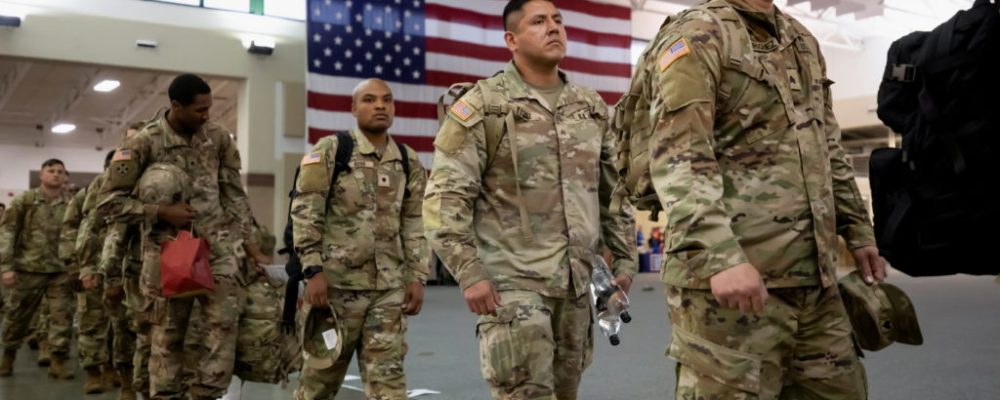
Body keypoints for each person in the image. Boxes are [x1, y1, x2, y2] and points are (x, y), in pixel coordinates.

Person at [639, 0, 886, 398]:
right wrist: (721, 255)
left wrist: (856, 228)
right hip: (732, 284)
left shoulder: (801, 39)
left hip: (816, 282)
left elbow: (827, 146)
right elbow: (679, 156)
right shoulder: (698, 33)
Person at [423, 1, 637, 398]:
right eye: (538, 22)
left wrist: (624, 260)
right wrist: (469, 272)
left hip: (575, 286)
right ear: (512, 40)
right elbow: (444, 198)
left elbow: (612, 192)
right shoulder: (485, 105)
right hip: (513, 284)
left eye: (558, 20)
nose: (553, 27)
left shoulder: (589, 108)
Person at [99, 74, 266, 400]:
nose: (206, 115)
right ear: (176, 106)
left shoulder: (217, 137)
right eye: (199, 110)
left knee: (223, 328)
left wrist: (253, 245)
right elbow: (109, 204)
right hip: (166, 252)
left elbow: (234, 195)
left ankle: (207, 395)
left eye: (209, 108)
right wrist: (160, 212)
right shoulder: (143, 143)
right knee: (166, 335)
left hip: (216, 250)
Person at [291, 78, 428, 400]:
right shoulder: (331, 151)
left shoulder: (407, 160)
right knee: (318, 383)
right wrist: (312, 271)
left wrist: (417, 276)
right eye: (369, 99)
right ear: (353, 108)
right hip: (336, 290)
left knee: (389, 386)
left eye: (386, 100)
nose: (380, 105)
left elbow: (414, 222)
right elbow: (306, 212)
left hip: (388, 291)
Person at [0, 159, 75, 379]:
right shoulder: (26, 200)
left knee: (62, 318)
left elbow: (75, 235)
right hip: (28, 268)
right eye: (51, 171)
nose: (56, 175)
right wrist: (6, 267)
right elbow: (8, 232)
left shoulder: (70, 204)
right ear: (41, 175)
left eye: (60, 172)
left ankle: (57, 361)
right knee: (17, 316)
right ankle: (8, 357)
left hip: (60, 270)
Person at [63, 150, 120, 395]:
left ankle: (112, 367)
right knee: (91, 322)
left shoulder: (135, 193)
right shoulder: (86, 195)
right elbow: (71, 230)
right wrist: (76, 267)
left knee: (119, 325)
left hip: (123, 270)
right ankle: (93, 372)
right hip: (92, 267)